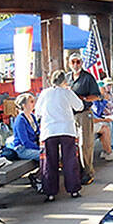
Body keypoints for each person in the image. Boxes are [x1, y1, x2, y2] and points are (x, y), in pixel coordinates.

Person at [35, 70, 84, 201]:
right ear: (64, 81)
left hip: (49, 130)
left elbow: (38, 111)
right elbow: (80, 106)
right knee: (70, 160)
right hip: (66, 128)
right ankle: (73, 189)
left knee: (49, 162)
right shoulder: (67, 92)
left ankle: (50, 192)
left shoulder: (44, 93)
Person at [67, 54, 103, 184]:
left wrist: (84, 99)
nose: (76, 64)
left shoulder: (88, 78)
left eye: (78, 62)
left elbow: (98, 96)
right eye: (73, 62)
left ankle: (88, 173)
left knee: (85, 144)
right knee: (71, 144)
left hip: (84, 114)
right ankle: (76, 171)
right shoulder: (66, 78)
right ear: (69, 63)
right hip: (69, 115)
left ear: (81, 63)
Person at [0, 94, 41, 161]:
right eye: (31, 102)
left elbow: (38, 132)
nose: (34, 104)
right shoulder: (20, 120)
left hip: (32, 146)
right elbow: (25, 141)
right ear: (24, 105)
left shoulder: (32, 116)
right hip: (22, 149)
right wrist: (39, 148)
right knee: (44, 155)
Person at [90, 92, 113, 162]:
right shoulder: (92, 101)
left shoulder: (108, 95)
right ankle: (109, 151)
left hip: (97, 119)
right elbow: (97, 113)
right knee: (106, 127)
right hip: (93, 121)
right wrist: (104, 101)